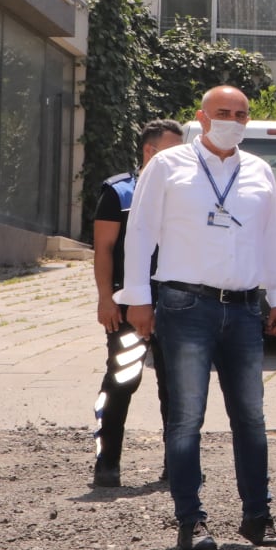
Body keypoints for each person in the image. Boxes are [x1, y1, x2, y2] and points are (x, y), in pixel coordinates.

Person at [118, 86, 276, 550]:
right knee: (186, 419)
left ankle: (257, 516)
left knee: (251, 418)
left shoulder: (258, 171)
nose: (232, 120)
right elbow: (139, 233)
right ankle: (191, 521)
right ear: (201, 116)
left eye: (240, 114)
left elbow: (273, 240)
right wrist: (137, 298)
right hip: (184, 306)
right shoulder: (168, 165)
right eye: (223, 112)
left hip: (243, 308)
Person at [90, 118, 184, 488]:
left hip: (177, 304)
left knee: (176, 387)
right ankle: (107, 463)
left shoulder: (184, 191)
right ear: (150, 150)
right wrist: (105, 299)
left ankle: (176, 464)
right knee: (123, 379)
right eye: (174, 149)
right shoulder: (119, 192)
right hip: (129, 305)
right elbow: (104, 250)